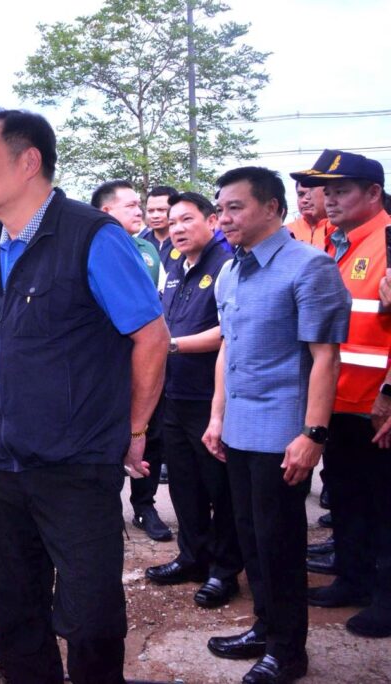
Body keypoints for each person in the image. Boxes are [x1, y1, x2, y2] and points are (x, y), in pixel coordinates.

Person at [0, 109, 168, 684]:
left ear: (28, 162)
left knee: (90, 620)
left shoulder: (91, 236)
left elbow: (150, 337)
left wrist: (132, 431)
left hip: (77, 467)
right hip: (6, 467)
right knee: (16, 613)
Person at [202, 166, 350, 683]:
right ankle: (265, 628)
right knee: (250, 537)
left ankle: (289, 650)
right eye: (220, 208)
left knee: (281, 544)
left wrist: (312, 435)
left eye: (234, 207)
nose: (223, 217)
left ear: (271, 208)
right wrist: (217, 416)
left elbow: (325, 358)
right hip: (238, 427)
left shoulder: (308, 268)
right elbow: (229, 349)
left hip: (282, 433)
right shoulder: (230, 270)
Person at [290, 150, 391, 639]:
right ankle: (352, 578)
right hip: (341, 404)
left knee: (384, 508)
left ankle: (386, 598)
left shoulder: (389, 242)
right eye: (325, 191)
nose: (328, 200)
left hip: (379, 408)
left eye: (341, 191)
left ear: (373, 193)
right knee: (348, 500)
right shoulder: (338, 244)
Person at [145, 192, 241, 608]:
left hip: (210, 397)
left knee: (220, 488)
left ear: (212, 221)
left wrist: (170, 346)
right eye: (173, 221)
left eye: (188, 219)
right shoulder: (171, 264)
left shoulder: (225, 266)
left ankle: (225, 571)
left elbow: (226, 332)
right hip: (174, 395)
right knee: (184, 485)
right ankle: (193, 557)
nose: (178, 228)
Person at [91, 179, 172, 542]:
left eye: (140, 206)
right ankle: (104, 510)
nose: (140, 212)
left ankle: (145, 506)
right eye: (131, 206)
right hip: (103, 366)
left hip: (143, 358)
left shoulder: (148, 250)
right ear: (106, 211)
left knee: (148, 435)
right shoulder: (88, 248)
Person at [139, 185, 181, 276]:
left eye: (161, 210)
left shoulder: (185, 241)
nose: (155, 216)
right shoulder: (140, 243)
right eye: (150, 211)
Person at [287, 181, 330, 250]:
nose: (304, 200)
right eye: (300, 194)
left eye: (311, 194)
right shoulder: (287, 231)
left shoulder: (341, 230)